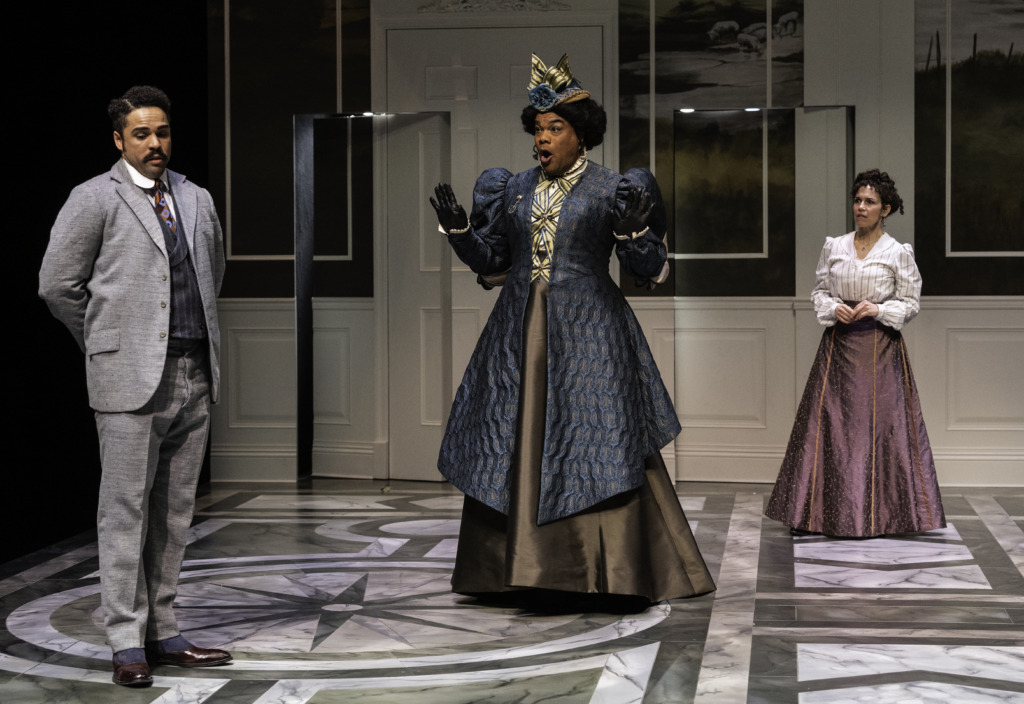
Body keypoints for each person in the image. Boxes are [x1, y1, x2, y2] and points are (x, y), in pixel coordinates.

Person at [429, 54, 714, 607]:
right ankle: (511, 570)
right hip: (519, 330)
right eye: (538, 129)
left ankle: (602, 572)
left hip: (590, 333)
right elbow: (494, 265)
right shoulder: (511, 189)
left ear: (581, 135)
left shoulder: (614, 189)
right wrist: (461, 232)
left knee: (597, 442)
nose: (543, 138)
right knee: (512, 438)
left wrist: (633, 236)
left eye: (554, 128)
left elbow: (649, 271)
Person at [39, 86, 230, 686]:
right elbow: (57, 284)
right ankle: (125, 639)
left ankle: (164, 630)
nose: (155, 143)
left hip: (193, 372)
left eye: (163, 132)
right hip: (128, 378)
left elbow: (212, 273)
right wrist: (106, 341)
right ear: (119, 139)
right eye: (142, 134)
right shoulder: (94, 197)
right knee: (123, 512)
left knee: (174, 514)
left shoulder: (196, 198)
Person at [765, 169, 945, 537]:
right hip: (838, 347)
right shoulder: (835, 246)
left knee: (878, 430)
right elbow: (819, 292)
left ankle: (884, 515)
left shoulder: (897, 253)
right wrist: (834, 309)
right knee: (830, 426)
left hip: (879, 349)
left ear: (886, 209)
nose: (861, 208)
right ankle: (825, 514)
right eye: (858, 200)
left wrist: (878, 310)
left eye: (870, 202)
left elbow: (910, 302)